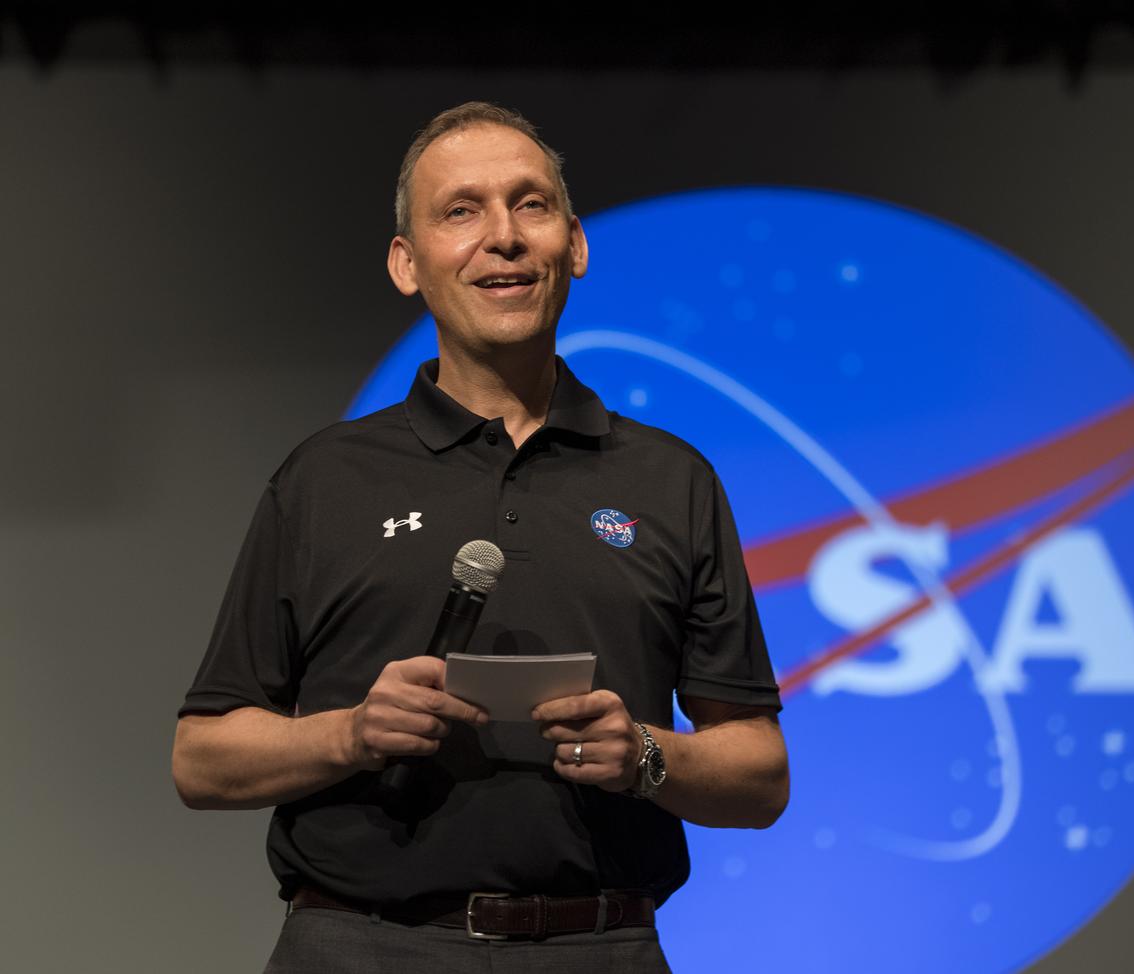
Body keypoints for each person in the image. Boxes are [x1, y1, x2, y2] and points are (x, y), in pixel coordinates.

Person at [172, 101, 788, 973]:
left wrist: (646, 755)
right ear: (406, 263)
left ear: (574, 245)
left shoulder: (671, 480)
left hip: (601, 947)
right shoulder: (323, 478)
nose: (503, 236)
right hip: (359, 946)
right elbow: (201, 762)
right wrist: (350, 734)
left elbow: (760, 774)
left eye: (531, 204)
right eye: (461, 211)